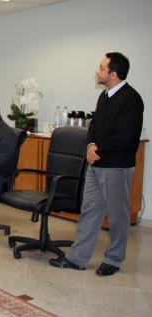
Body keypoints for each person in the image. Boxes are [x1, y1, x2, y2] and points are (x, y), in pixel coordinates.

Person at [49, 52, 144, 276]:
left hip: (116, 166)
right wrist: (90, 145)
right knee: (89, 210)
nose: (97, 71)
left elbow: (125, 136)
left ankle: (114, 259)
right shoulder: (105, 96)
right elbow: (94, 126)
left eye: (101, 68)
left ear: (114, 73)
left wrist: (97, 150)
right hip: (97, 164)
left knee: (118, 215)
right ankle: (78, 257)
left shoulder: (131, 99)